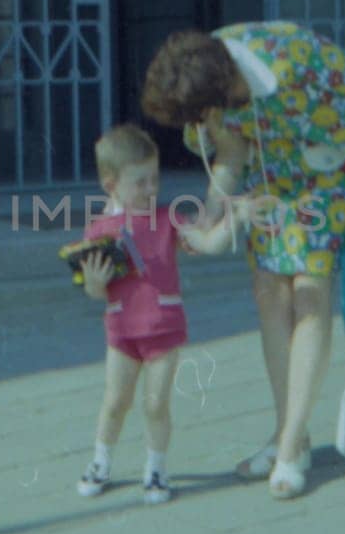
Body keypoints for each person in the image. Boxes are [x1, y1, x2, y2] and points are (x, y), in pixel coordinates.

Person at [141, 21, 345, 500]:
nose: (202, 124)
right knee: (270, 293)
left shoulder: (293, 64)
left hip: (322, 176)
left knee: (310, 293)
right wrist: (210, 212)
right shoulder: (209, 83)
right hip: (270, 182)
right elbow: (232, 152)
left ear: (222, 91)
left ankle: (289, 446)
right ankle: (291, 433)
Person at [78, 122, 250, 505]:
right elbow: (94, 291)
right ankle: (100, 461)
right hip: (121, 331)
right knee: (115, 402)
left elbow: (205, 242)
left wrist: (233, 222)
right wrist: (94, 284)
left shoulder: (167, 218)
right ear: (111, 186)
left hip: (164, 327)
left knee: (156, 403)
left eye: (154, 179)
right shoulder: (99, 232)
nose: (151, 189)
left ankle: (156, 468)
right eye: (140, 182)